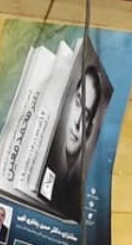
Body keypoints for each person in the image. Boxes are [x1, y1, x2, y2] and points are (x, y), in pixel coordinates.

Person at [42, 65, 102, 220]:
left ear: (90, 130)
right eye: (78, 103)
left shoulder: (82, 190)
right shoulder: (45, 160)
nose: (77, 122)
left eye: (86, 115)